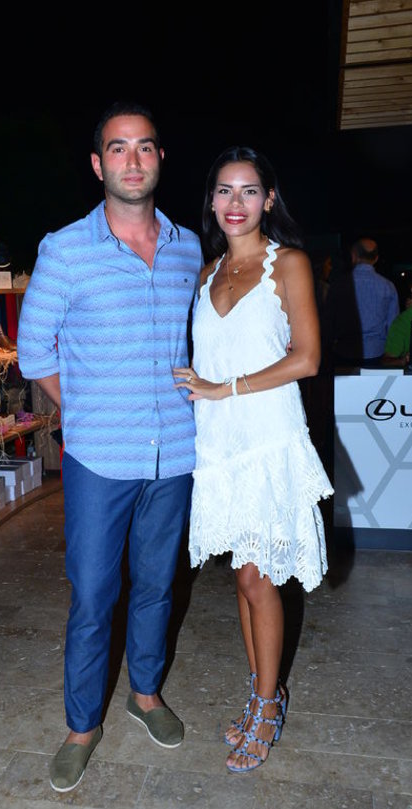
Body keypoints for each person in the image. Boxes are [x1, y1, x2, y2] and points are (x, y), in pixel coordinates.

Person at [17, 102, 202, 793]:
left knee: (157, 586)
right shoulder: (65, 249)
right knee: (95, 596)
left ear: (159, 159)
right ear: (98, 164)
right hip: (99, 458)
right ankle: (80, 726)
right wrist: (88, 410)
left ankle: (144, 694)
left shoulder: (188, 247)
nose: (132, 160)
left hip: (175, 452)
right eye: (118, 148)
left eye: (144, 147)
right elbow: (35, 351)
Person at [174, 146, 333, 774]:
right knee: (243, 579)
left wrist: (225, 389)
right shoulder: (205, 273)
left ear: (268, 199)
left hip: (267, 438)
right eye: (224, 190)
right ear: (211, 201)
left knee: (258, 579)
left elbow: (307, 358)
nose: (234, 203)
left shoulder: (287, 263)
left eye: (247, 191)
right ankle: (261, 689)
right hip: (219, 445)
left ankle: (267, 705)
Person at [322, 237, 399, 367]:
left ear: (353, 256)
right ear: (376, 258)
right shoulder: (388, 286)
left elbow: (328, 323)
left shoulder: (339, 285)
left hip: (344, 350)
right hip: (377, 351)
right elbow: (393, 325)